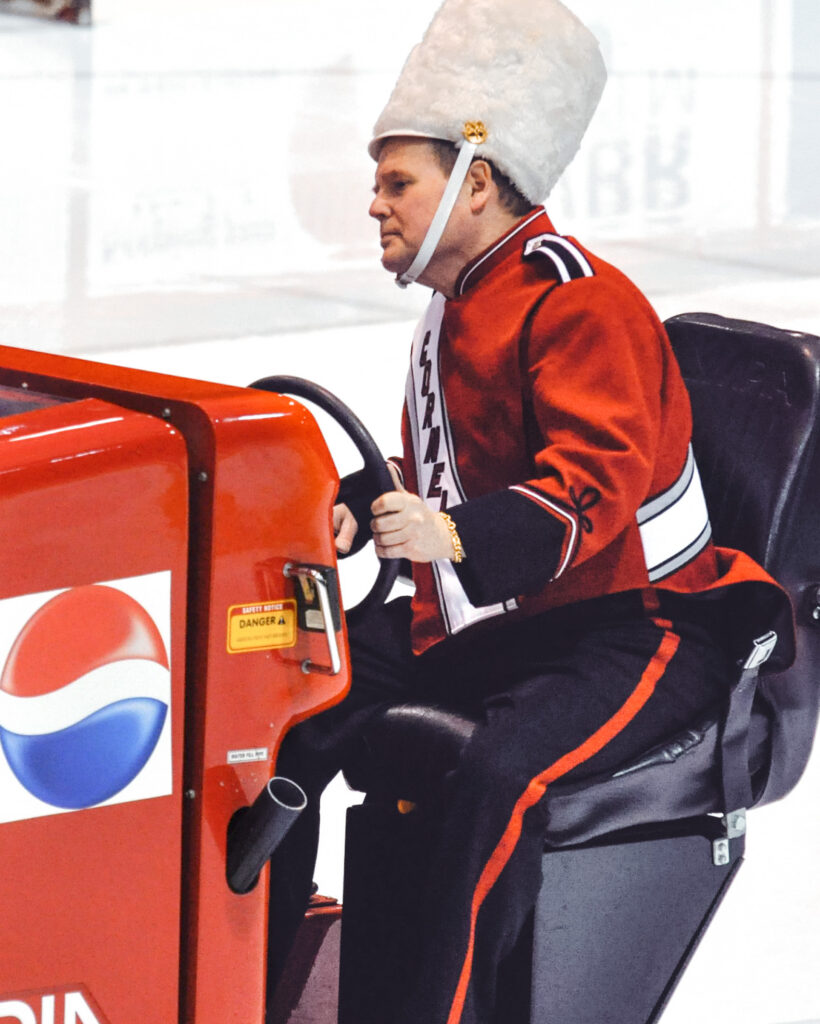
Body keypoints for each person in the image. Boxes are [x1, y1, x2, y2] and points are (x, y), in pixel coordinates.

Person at [267, 2, 791, 1022]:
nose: (375, 205)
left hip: (636, 623)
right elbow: (444, 469)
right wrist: (359, 501)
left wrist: (451, 537)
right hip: (502, 614)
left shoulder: (580, 302)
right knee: (280, 701)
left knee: (497, 775)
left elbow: (589, 486)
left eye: (398, 184)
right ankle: (249, 976)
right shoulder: (456, 307)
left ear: (477, 182)